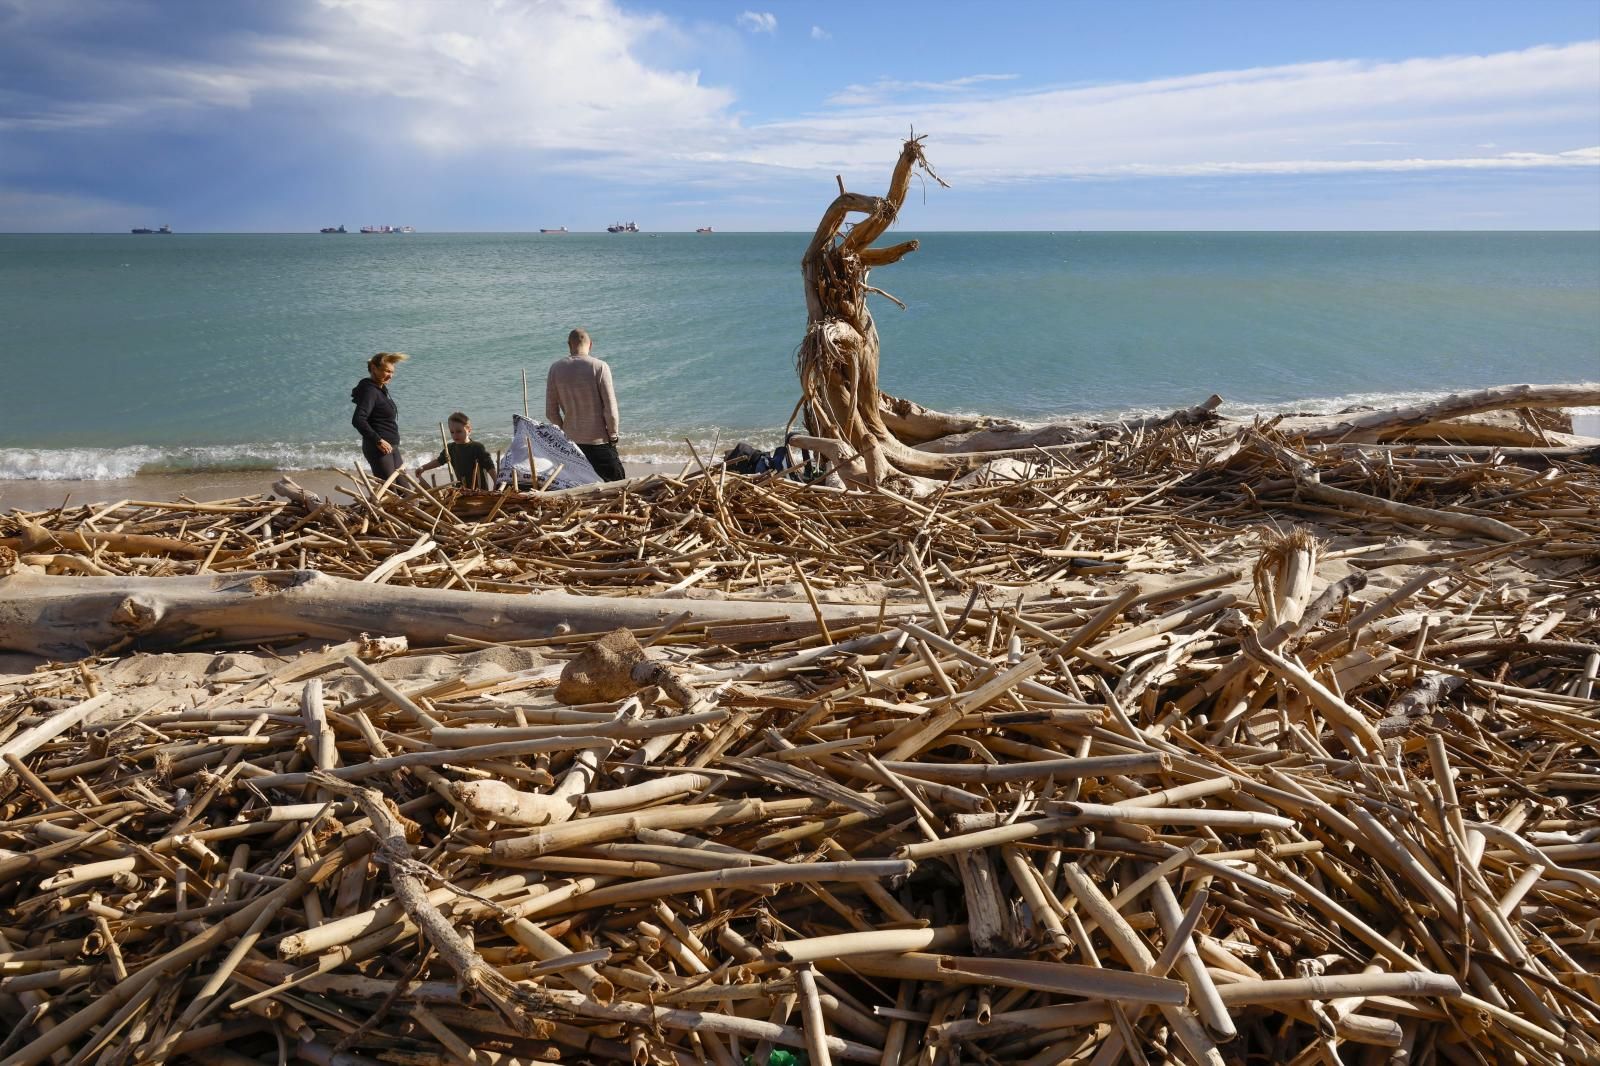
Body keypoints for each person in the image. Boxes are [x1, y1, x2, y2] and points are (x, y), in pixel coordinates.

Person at [545, 327, 626, 481]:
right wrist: (613, 435)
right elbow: (610, 410)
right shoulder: (599, 367)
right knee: (617, 486)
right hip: (599, 442)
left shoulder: (555, 369)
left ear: (569, 345)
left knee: (579, 490)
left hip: (572, 444)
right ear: (591, 345)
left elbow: (551, 412)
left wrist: (565, 431)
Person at [351, 352, 407, 478]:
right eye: (387, 371)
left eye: (392, 372)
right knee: (390, 492)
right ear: (374, 369)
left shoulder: (380, 390)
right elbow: (358, 419)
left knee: (405, 491)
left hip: (391, 447)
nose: (390, 376)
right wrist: (378, 441)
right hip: (379, 450)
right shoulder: (370, 391)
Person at [417, 411, 496, 489]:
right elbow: (439, 461)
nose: (455, 435)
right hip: (462, 489)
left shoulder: (477, 447)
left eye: (459, 431)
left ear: (469, 430)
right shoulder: (450, 448)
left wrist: (496, 481)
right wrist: (423, 468)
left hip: (479, 491)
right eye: (452, 432)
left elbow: (489, 466)